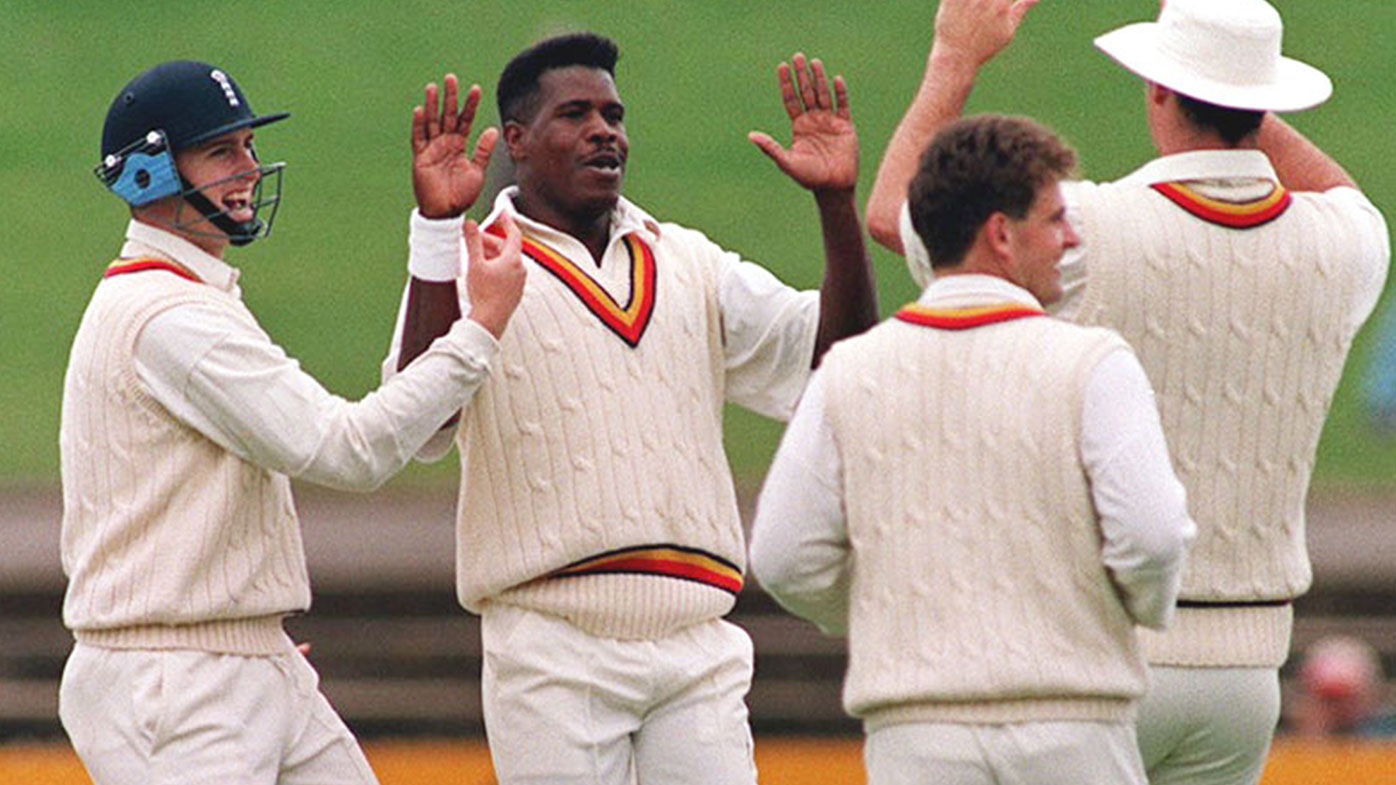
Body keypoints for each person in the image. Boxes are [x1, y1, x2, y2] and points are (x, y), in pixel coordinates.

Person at [863, 1, 1390, 783]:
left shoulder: (1090, 228)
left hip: (1096, 654)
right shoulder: (1347, 240)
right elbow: (1339, 190)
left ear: (1157, 90)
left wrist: (955, 59)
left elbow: (894, 212)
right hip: (1245, 677)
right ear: (1265, 101)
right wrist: (1228, 76)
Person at [382, 32, 877, 785]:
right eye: (574, 114)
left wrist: (837, 205)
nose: (603, 130)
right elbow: (415, 423)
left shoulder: (689, 261)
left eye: (613, 114)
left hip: (697, 638)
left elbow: (839, 362)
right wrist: (436, 236)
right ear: (517, 140)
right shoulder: (475, 265)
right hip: (551, 643)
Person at [59, 59, 524, 784]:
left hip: (233, 659)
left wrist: (240, 637)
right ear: (147, 173)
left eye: (246, 146)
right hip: (172, 681)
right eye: (220, 151)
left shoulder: (195, 297)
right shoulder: (169, 317)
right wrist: (479, 333)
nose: (247, 168)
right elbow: (349, 451)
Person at [751, 113, 1194, 785]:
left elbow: (783, 557)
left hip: (916, 736)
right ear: (1000, 235)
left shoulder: (849, 370)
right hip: (1073, 726)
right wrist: (1137, 607)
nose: (1071, 239)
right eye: (1055, 219)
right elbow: (1154, 537)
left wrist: (886, 604)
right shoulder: (1093, 361)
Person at [1290, 635, 1396, 738]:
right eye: (1328, 699)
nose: (1338, 710)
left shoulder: (1387, 741)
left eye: (1348, 699)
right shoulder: (1283, 747)